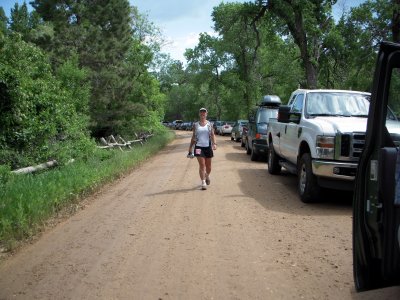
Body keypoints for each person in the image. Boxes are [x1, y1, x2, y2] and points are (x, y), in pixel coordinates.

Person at [188, 107, 217, 190]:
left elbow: (212, 135)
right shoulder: (196, 125)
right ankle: (203, 182)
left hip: (208, 147)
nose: (202, 114)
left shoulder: (210, 124)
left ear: (206, 114)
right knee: (202, 165)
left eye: (204, 112)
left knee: (209, 166)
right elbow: (193, 137)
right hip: (198, 147)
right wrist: (190, 148)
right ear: (199, 114)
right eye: (201, 112)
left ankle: (207, 175)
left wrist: (214, 144)